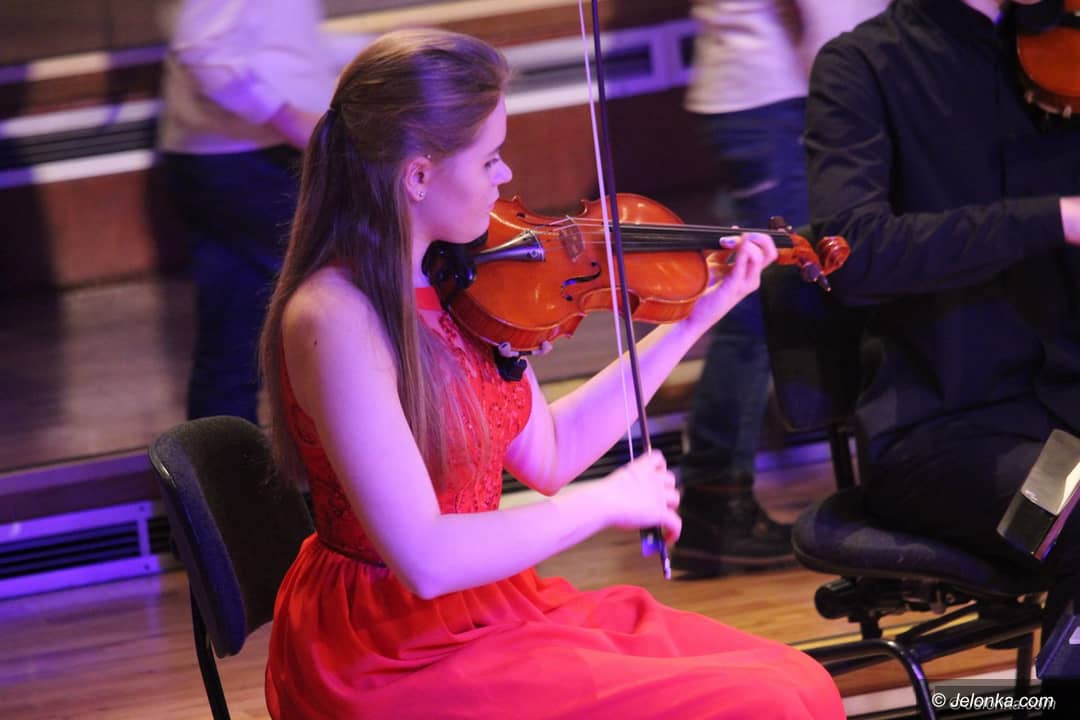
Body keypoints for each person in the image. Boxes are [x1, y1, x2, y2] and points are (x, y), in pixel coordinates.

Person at [258, 28, 844, 719]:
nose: (505, 177)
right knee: (764, 704)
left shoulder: (454, 281)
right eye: (489, 159)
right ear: (417, 177)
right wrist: (604, 503)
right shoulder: (336, 318)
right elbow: (425, 556)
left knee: (801, 681)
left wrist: (693, 319)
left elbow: (552, 452)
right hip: (388, 647)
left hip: (490, 604)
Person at [804, 0, 1080, 693]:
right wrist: (1051, 219)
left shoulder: (1067, 49)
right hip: (947, 437)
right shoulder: (863, 67)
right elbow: (853, 254)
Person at [675, 0, 889, 574]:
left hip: (764, 94)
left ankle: (713, 501)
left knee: (757, 294)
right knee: (756, 301)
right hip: (774, 97)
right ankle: (714, 504)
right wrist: (851, 84)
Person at [157, 0, 371, 422]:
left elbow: (280, 47)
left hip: (230, 156)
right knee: (335, 307)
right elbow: (201, 47)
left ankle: (224, 461)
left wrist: (372, 47)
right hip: (250, 158)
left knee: (235, 330)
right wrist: (285, 117)